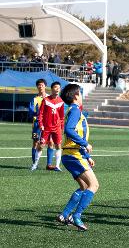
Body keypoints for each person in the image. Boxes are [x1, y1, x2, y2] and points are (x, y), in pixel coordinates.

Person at [56, 84, 98, 231]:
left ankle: (65, 214)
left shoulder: (72, 110)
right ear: (75, 96)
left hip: (71, 155)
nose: (81, 96)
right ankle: (77, 216)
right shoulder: (75, 110)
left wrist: (86, 156)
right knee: (94, 185)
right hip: (73, 154)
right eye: (80, 93)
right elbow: (69, 130)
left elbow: (74, 132)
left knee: (84, 186)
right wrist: (85, 143)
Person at [34, 82, 64, 172]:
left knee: (58, 146)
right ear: (51, 89)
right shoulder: (46, 100)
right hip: (46, 127)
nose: (57, 89)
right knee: (41, 145)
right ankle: (35, 165)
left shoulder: (61, 101)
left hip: (57, 127)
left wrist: (62, 127)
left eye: (59, 87)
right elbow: (41, 114)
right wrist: (41, 124)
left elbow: (62, 116)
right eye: (55, 87)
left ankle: (58, 166)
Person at [28, 79, 55, 171]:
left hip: (48, 124)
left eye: (42, 85)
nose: (40, 86)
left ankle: (49, 164)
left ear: (45, 86)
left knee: (51, 142)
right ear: (37, 87)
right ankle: (34, 163)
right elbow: (31, 112)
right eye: (39, 85)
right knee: (36, 142)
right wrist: (40, 113)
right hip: (36, 124)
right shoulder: (34, 99)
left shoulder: (50, 98)